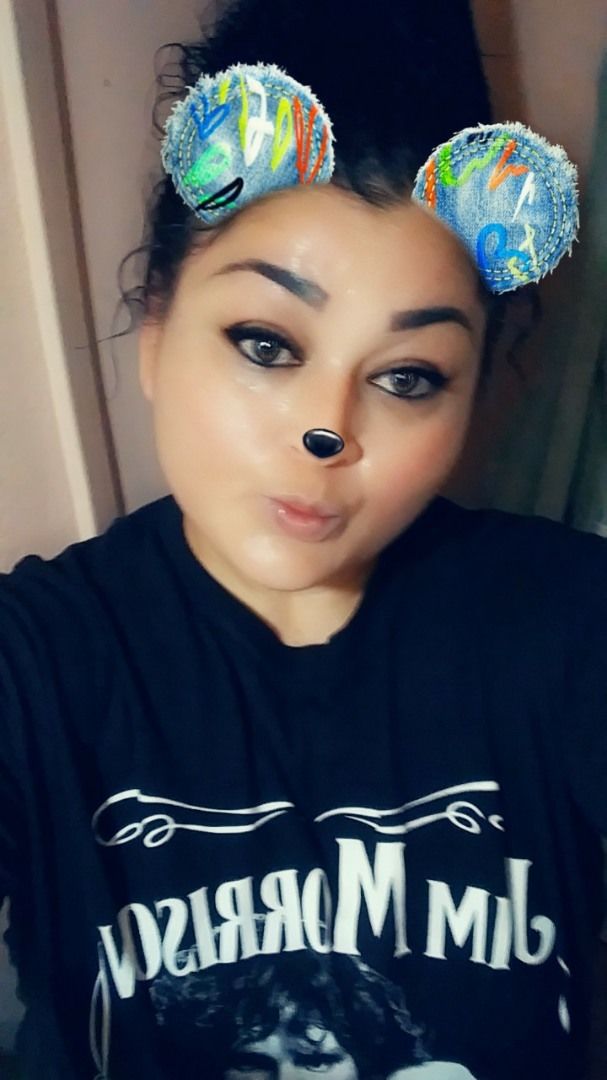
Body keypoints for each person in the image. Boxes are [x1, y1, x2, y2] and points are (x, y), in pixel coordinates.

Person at [0, 1, 604, 1078]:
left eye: (407, 377)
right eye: (267, 343)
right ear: (154, 330)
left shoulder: (568, 624)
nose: (329, 432)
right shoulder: (39, 659)